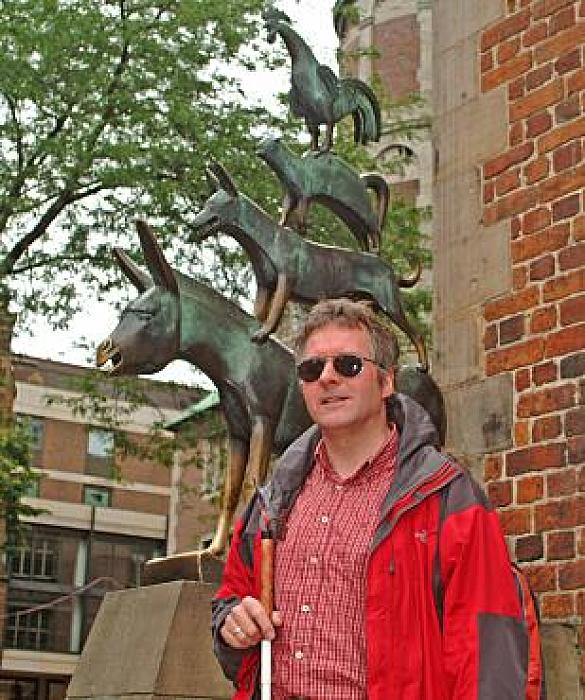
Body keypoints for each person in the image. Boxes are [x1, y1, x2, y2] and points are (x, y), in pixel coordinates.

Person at [212, 298, 543, 699]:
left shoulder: (448, 497)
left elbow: (490, 658)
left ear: (386, 382)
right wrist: (232, 624)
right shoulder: (272, 500)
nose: (328, 378)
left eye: (348, 365)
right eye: (312, 369)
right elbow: (230, 601)